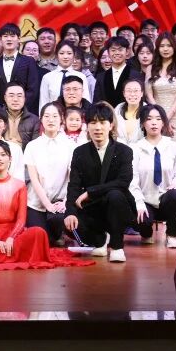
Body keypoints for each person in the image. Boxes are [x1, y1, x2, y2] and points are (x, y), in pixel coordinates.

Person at [0, 141, 91, 269]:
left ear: (10, 158)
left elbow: (21, 219)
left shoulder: (20, 185)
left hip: (14, 236)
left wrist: (11, 238)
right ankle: (9, 254)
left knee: (39, 233)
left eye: (3, 155)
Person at [65, 103, 135, 263]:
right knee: (69, 224)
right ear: (87, 126)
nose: (98, 128)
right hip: (92, 209)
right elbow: (74, 185)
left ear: (111, 125)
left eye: (102, 122)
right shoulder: (80, 152)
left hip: (119, 207)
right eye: (93, 123)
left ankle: (117, 246)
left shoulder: (124, 151)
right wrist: (70, 212)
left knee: (115, 195)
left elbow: (123, 182)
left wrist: (91, 192)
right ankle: (101, 239)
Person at [131, 104, 176, 248]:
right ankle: (146, 233)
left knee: (175, 196)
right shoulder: (135, 148)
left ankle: (172, 234)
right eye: (149, 119)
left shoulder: (173, 146)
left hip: (166, 199)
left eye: (158, 119)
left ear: (163, 123)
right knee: (141, 218)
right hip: (145, 200)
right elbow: (133, 179)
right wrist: (139, 202)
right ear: (143, 123)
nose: (154, 123)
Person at [23, 102, 74, 244]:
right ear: (41, 119)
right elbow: (34, 180)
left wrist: (66, 202)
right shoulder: (32, 146)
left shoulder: (70, 146)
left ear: (61, 119)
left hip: (60, 201)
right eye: (46, 116)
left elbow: (72, 178)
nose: (50, 120)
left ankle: (59, 233)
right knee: (40, 238)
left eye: (55, 116)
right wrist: (47, 204)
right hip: (36, 202)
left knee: (57, 221)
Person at [148, 33, 176, 154]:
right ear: (157, 48)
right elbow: (149, 95)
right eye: (162, 46)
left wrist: (166, 119)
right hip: (155, 119)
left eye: (169, 46)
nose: (165, 49)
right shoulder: (151, 68)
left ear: (174, 47)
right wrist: (160, 119)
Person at [0, 24, 42, 113]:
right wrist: (0, 111)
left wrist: (19, 108)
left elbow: (32, 90)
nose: (9, 39)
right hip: (0, 113)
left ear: (19, 39)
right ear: (0, 40)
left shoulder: (29, 61)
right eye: (5, 36)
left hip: (23, 112)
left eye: (12, 36)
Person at [40, 41, 86, 108]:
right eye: (61, 53)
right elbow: (43, 103)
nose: (65, 57)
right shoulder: (47, 77)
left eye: (69, 53)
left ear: (74, 56)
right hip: (53, 114)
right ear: (56, 56)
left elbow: (86, 101)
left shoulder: (81, 76)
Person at [93, 36, 134, 107]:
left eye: (120, 50)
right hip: (106, 113)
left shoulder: (135, 75)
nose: (117, 53)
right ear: (108, 52)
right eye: (113, 50)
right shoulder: (101, 77)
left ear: (127, 52)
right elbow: (97, 102)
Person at [112, 78, 147, 144]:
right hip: (120, 148)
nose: (132, 94)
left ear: (142, 93)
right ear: (124, 93)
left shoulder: (148, 111)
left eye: (136, 91)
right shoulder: (118, 109)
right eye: (129, 91)